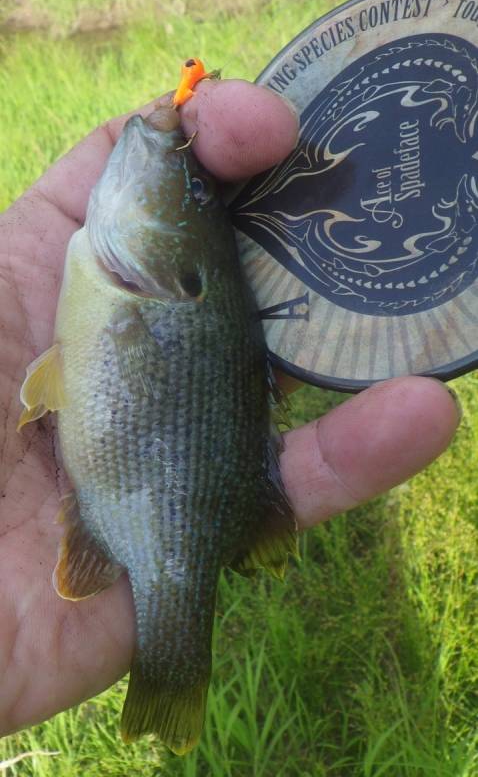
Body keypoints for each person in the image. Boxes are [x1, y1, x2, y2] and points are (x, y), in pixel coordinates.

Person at [0, 78, 461, 737]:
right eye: (197, 194)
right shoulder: (125, 278)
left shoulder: (126, 278)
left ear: (189, 275)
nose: (187, 183)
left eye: (194, 197)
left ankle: (173, 677)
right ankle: (173, 685)